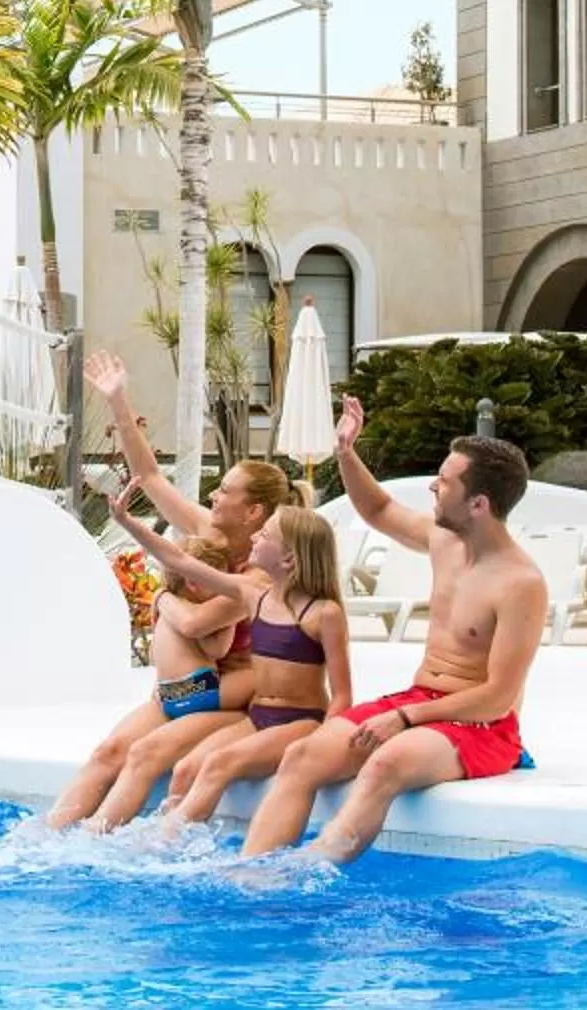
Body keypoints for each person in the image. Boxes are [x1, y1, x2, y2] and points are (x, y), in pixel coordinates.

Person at [239, 398, 544, 861]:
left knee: (385, 763)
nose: (432, 488)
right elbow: (379, 509)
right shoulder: (444, 540)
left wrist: (402, 720)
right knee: (301, 757)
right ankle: (250, 876)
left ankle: (307, 873)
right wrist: (345, 452)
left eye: (444, 482)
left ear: (479, 504)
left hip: (482, 725)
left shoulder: (521, 583)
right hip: (420, 701)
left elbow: (499, 697)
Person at [44, 350, 291, 828]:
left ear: (254, 512)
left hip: (232, 695)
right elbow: (151, 476)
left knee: (145, 754)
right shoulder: (206, 531)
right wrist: (118, 402)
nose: (214, 494)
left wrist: (160, 598)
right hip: (184, 687)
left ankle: (97, 843)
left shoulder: (264, 571)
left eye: (226, 490)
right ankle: (42, 841)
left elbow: (199, 621)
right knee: (109, 750)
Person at [99, 499, 351, 836]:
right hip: (258, 717)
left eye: (265, 534)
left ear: (289, 558)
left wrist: (322, 743)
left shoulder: (324, 614)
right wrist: (126, 521)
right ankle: (175, 844)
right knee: (187, 767)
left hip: (300, 721)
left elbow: (343, 694)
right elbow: (179, 561)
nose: (254, 538)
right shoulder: (252, 593)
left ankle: (159, 844)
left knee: (219, 763)